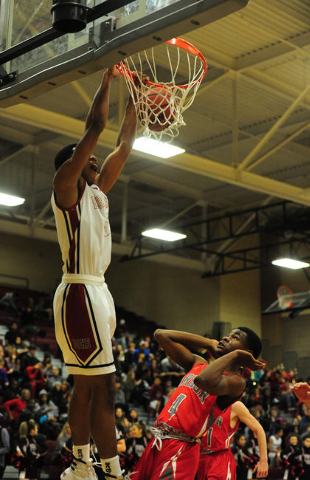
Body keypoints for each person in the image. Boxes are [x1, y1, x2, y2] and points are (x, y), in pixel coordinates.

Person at [51, 65, 137, 480]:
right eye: (87, 159)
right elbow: (98, 127)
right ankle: (111, 471)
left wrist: (136, 95)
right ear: (74, 162)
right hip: (79, 293)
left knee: (87, 386)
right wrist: (106, 83)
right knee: (103, 388)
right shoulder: (66, 188)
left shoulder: (98, 193)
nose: (96, 162)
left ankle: (83, 466)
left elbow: (124, 141)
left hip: (98, 292)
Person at [130, 326, 264, 480]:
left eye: (235, 338)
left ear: (247, 354)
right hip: (158, 440)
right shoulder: (198, 363)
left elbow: (203, 380)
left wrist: (235, 355)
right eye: (228, 335)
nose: (226, 338)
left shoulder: (237, 382)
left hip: (182, 447)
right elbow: (161, 335)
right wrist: (208, 343)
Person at [196, 400, 268, 480]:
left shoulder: (235, 406)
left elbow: (259, 429)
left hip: (220, 458)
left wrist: (263, 460)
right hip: (199, 458)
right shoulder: (201, 401)